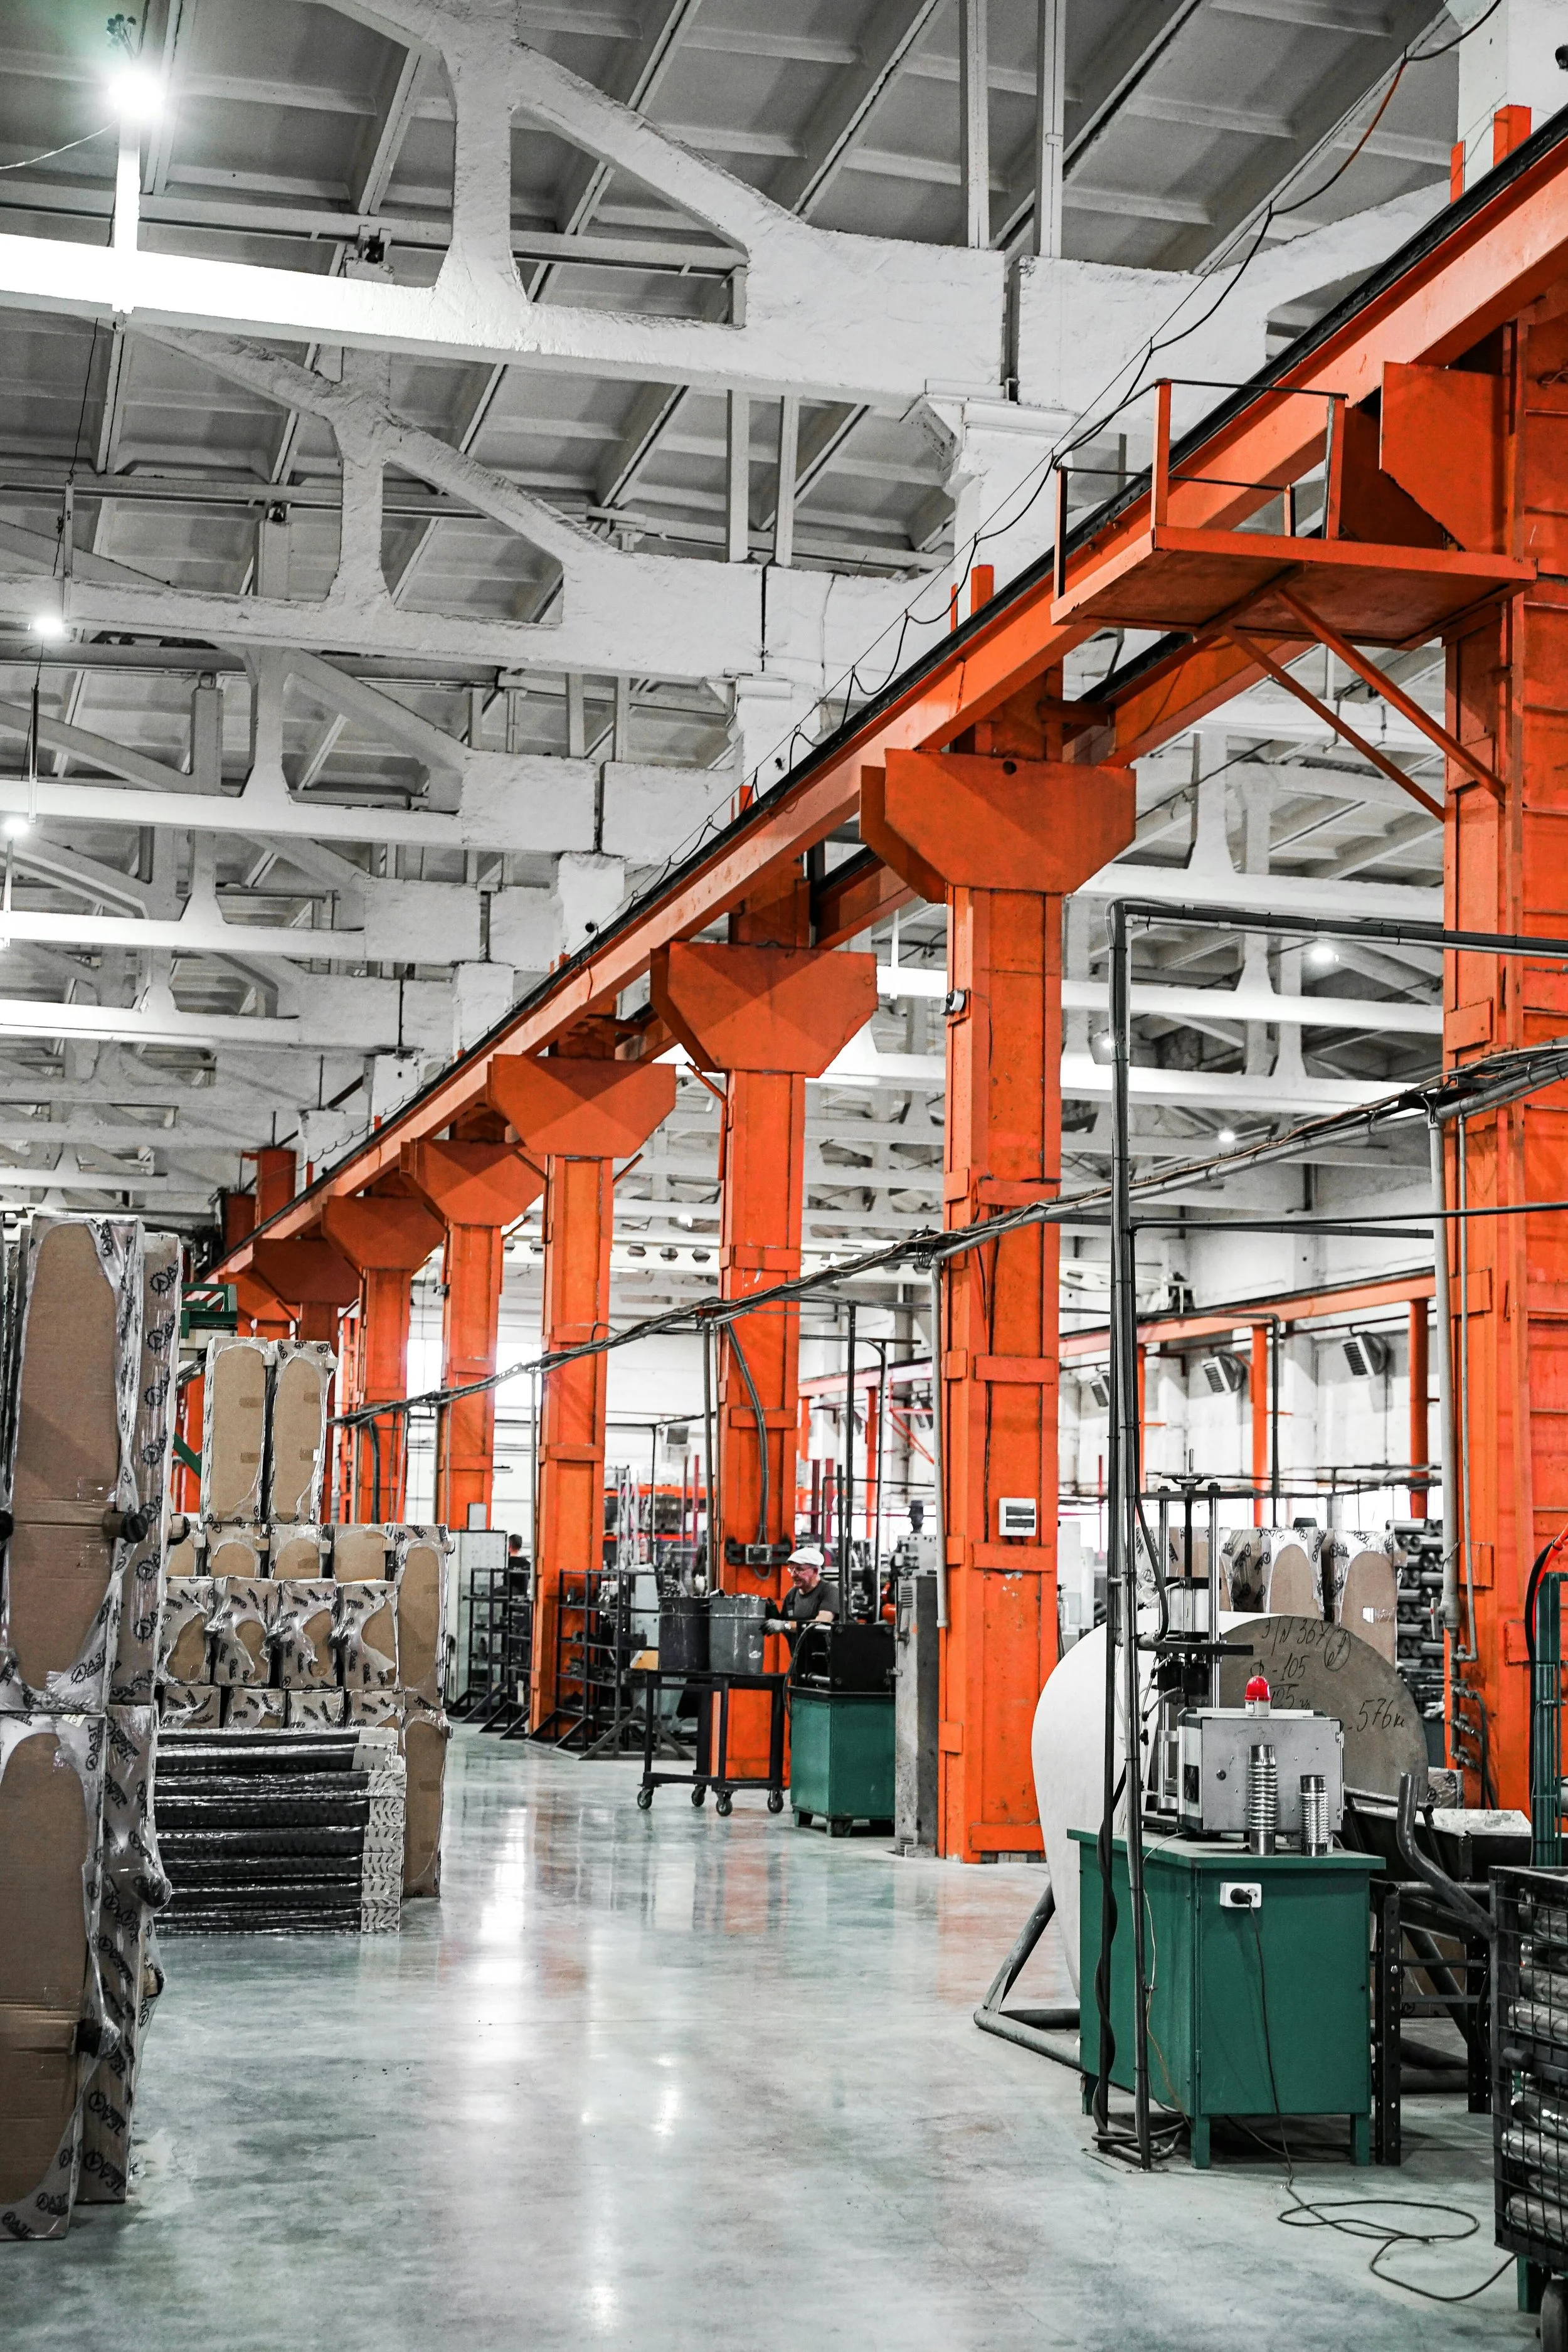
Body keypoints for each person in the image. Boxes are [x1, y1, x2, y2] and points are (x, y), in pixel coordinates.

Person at [768, 1543, 836, 1641]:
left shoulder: (829, 1591)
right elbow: (784, 1626)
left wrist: (786, 1625)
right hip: (799, 1655)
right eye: (791, 1569)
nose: (793, 1575)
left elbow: (823, 1621)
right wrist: (773, 1615)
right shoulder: (792, 1594)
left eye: (799, 1570)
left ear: (815, 1571)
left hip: (826, 1654)